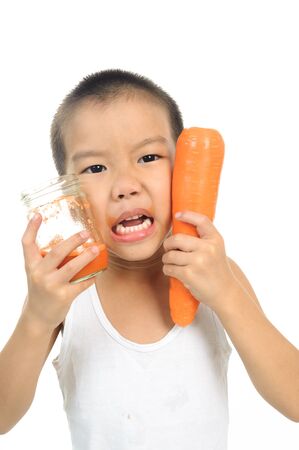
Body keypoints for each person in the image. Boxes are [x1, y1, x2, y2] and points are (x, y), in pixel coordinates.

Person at [0, 69, 298, 449]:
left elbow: (294, 401)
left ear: (183, 167)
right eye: (96, 168)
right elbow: (3, 417)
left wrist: (225, 294)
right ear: (68, 191)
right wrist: (36, 319)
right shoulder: (66, 288)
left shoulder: (217, 275)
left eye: (148, 157)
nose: (125, 186)